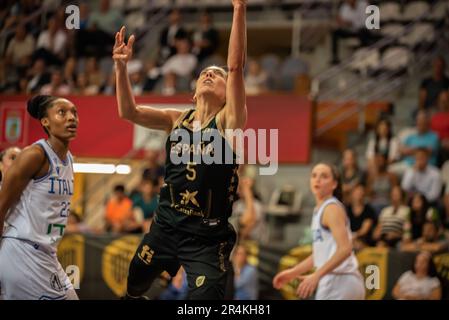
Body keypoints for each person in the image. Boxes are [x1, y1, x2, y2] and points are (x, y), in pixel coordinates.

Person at [113, 0, 247, 300]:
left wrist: (239, 9)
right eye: (205, 74)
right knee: (134, 283)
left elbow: (236, 66)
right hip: (166, 225)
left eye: (218, 75)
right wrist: (121, 66)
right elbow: (128, 112)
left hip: (207, 237)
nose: (211, 74)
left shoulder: (228, 121)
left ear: (229, 95)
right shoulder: (176, 118)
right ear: (194, 90)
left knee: (206, 301)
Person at [0, 95, 79, 299]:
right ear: (45, 121)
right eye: (62, 112)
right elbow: (1, 206)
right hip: (22, 250)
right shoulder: (34, 155)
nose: (71, 117)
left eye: (74, 113)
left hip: (47, 254)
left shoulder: (69, 159)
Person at [273, 163, 365, 300]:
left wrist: (316, 275)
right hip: (340, 281)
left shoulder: (331, 208)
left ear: (334, 184)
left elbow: (345, 249)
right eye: (314, 175)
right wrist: (292, 273)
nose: (317, 179)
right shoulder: (320, 209)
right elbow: (320, 254)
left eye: (324, 176)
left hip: (339, 280)